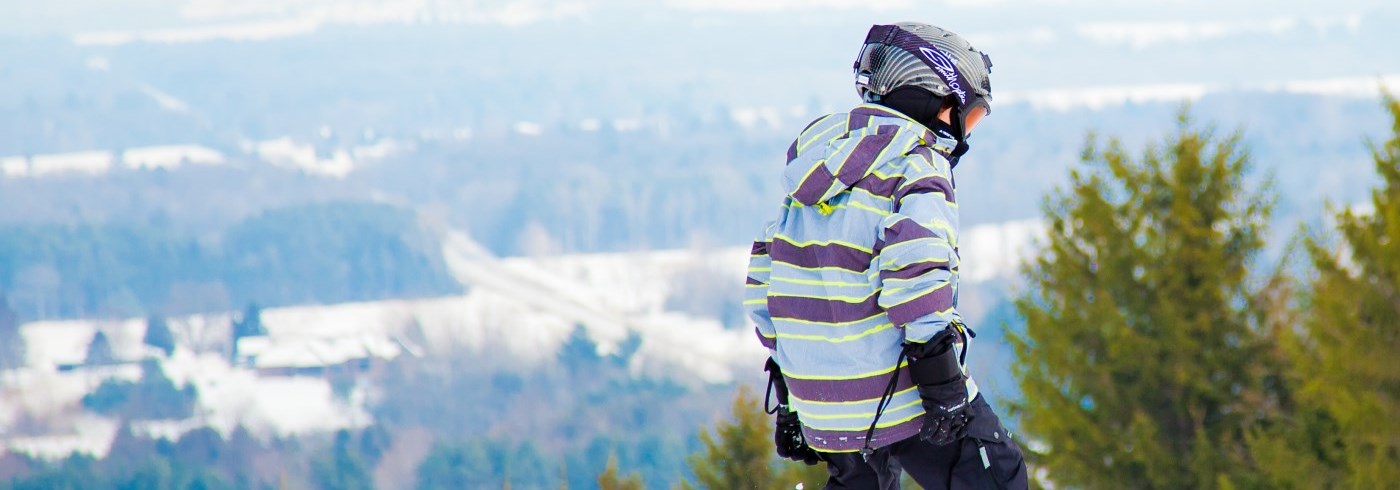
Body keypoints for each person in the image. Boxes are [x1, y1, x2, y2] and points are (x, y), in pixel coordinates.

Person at [745, 22, 1029, 489]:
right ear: (934, 98)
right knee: (996, 473)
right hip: (898, 392)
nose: (965, 134)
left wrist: (794, 395)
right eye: (969, 115)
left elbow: (764, 288)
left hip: (823, 404)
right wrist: (946, 389)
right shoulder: (918, 166)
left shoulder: (813, 173)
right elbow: (916, 278)